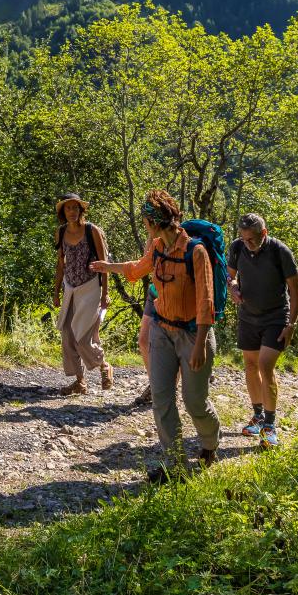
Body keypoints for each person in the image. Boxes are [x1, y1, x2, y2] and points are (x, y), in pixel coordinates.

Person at [91, 189, 220, 481]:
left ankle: (210, 445)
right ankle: (174, 466)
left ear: (155, 222)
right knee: (162, 399)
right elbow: (137, 269)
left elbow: (206, 303)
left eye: (147, 222)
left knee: (194, 401)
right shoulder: (158, 247)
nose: (146, 228)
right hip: (162, 330)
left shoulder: (195, 252)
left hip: (192, 336)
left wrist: (200, 346)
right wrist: (107, 267)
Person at [227, 212, 298, 448]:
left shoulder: (280, 251)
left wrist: (291, 325)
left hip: (276, 317)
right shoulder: (237, 248)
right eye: (243, 238)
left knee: (265, 365)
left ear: (264, 233)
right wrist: (234, 289)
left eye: (252, 239)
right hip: (248, 317)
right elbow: (230, 278)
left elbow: (295, 290)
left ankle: (270, 425)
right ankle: (258, 417)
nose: (247, 243)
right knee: (250, 365)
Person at [53, 193, 113, 395]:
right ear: (63, 212)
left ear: (81, 210)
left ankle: (104, 366)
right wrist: (56, 292)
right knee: (68, 334)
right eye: (67, 208)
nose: (71, 212)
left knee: (83, 335)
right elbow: (61, 263)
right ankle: (80, 382)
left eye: (75, 208)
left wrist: (106, 293)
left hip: (90, 287)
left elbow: (104, 263)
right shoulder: (60, 233)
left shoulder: (91, 230)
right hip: (70, 287)